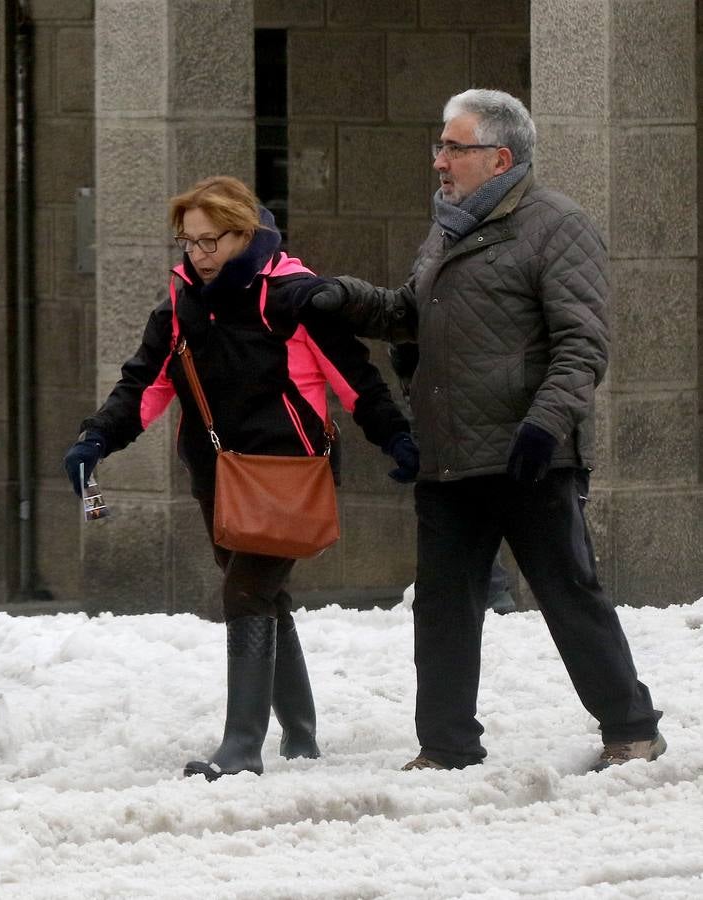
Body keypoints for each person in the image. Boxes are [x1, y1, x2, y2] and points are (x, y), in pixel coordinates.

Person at [309, 89, 665, 771]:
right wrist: (342, 297)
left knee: (568, 596)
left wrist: (544, 427)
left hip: (528, 455)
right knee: (441, 609)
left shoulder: (556, 226)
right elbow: (409, 313)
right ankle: (445, 747)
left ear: (499, 157)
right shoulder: (447, 228)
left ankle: (631, 728)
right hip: (448, 453)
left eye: (452, 147)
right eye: (438, 146)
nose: (438, 161)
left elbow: (581, 344)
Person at [63, 176, 418, 780]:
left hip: (289, 474)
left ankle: (242, 747)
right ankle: (301, 735)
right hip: (217, 472)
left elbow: (354, 379)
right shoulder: (181, 304)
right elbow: (144, 384)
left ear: (243, 233)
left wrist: (396, 436)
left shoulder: (294, 298)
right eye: (188, 242)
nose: (197, 255)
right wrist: (96, 438)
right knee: (264, 594)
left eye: (210, 242)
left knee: (246, 593)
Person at [388, 342, 518, 615]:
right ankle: (481, 590)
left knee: (466, 494)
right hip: (432, 384)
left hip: (456, 389)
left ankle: (490, 590)